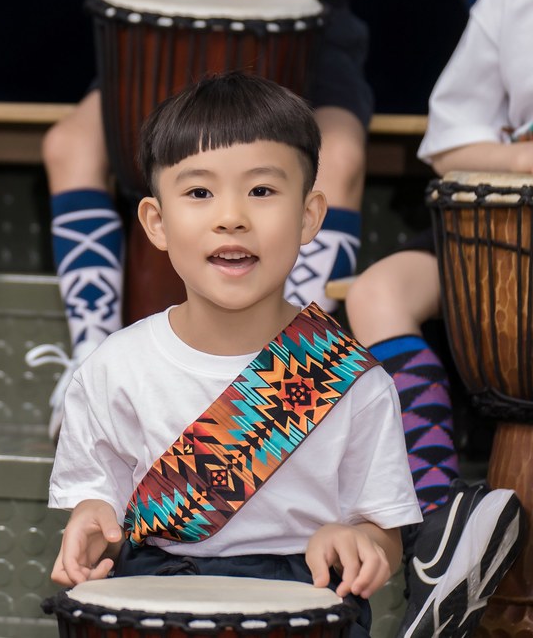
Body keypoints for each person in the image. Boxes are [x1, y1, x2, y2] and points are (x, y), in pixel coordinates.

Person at [48, 73, 422, 637]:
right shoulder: (112, 367)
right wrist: (90, 520)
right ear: (156, 222)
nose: (231, 216)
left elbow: (384, 538)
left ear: (309, 217)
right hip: (155, 595)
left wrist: (359, 543)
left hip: (305, 598)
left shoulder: (356, 382)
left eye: (262, 191)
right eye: (199, 193)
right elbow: (98, 505)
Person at [29, 0, 438, 438]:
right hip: (162, 20)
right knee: (69, 145)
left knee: (340, 156)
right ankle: (91, 357)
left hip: (307, 19)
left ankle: (294, 371)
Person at [344, 0, 531, 634]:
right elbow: (451, 143)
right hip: (505, 229)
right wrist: (518, 158)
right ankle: (439, 531)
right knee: (376, 290)